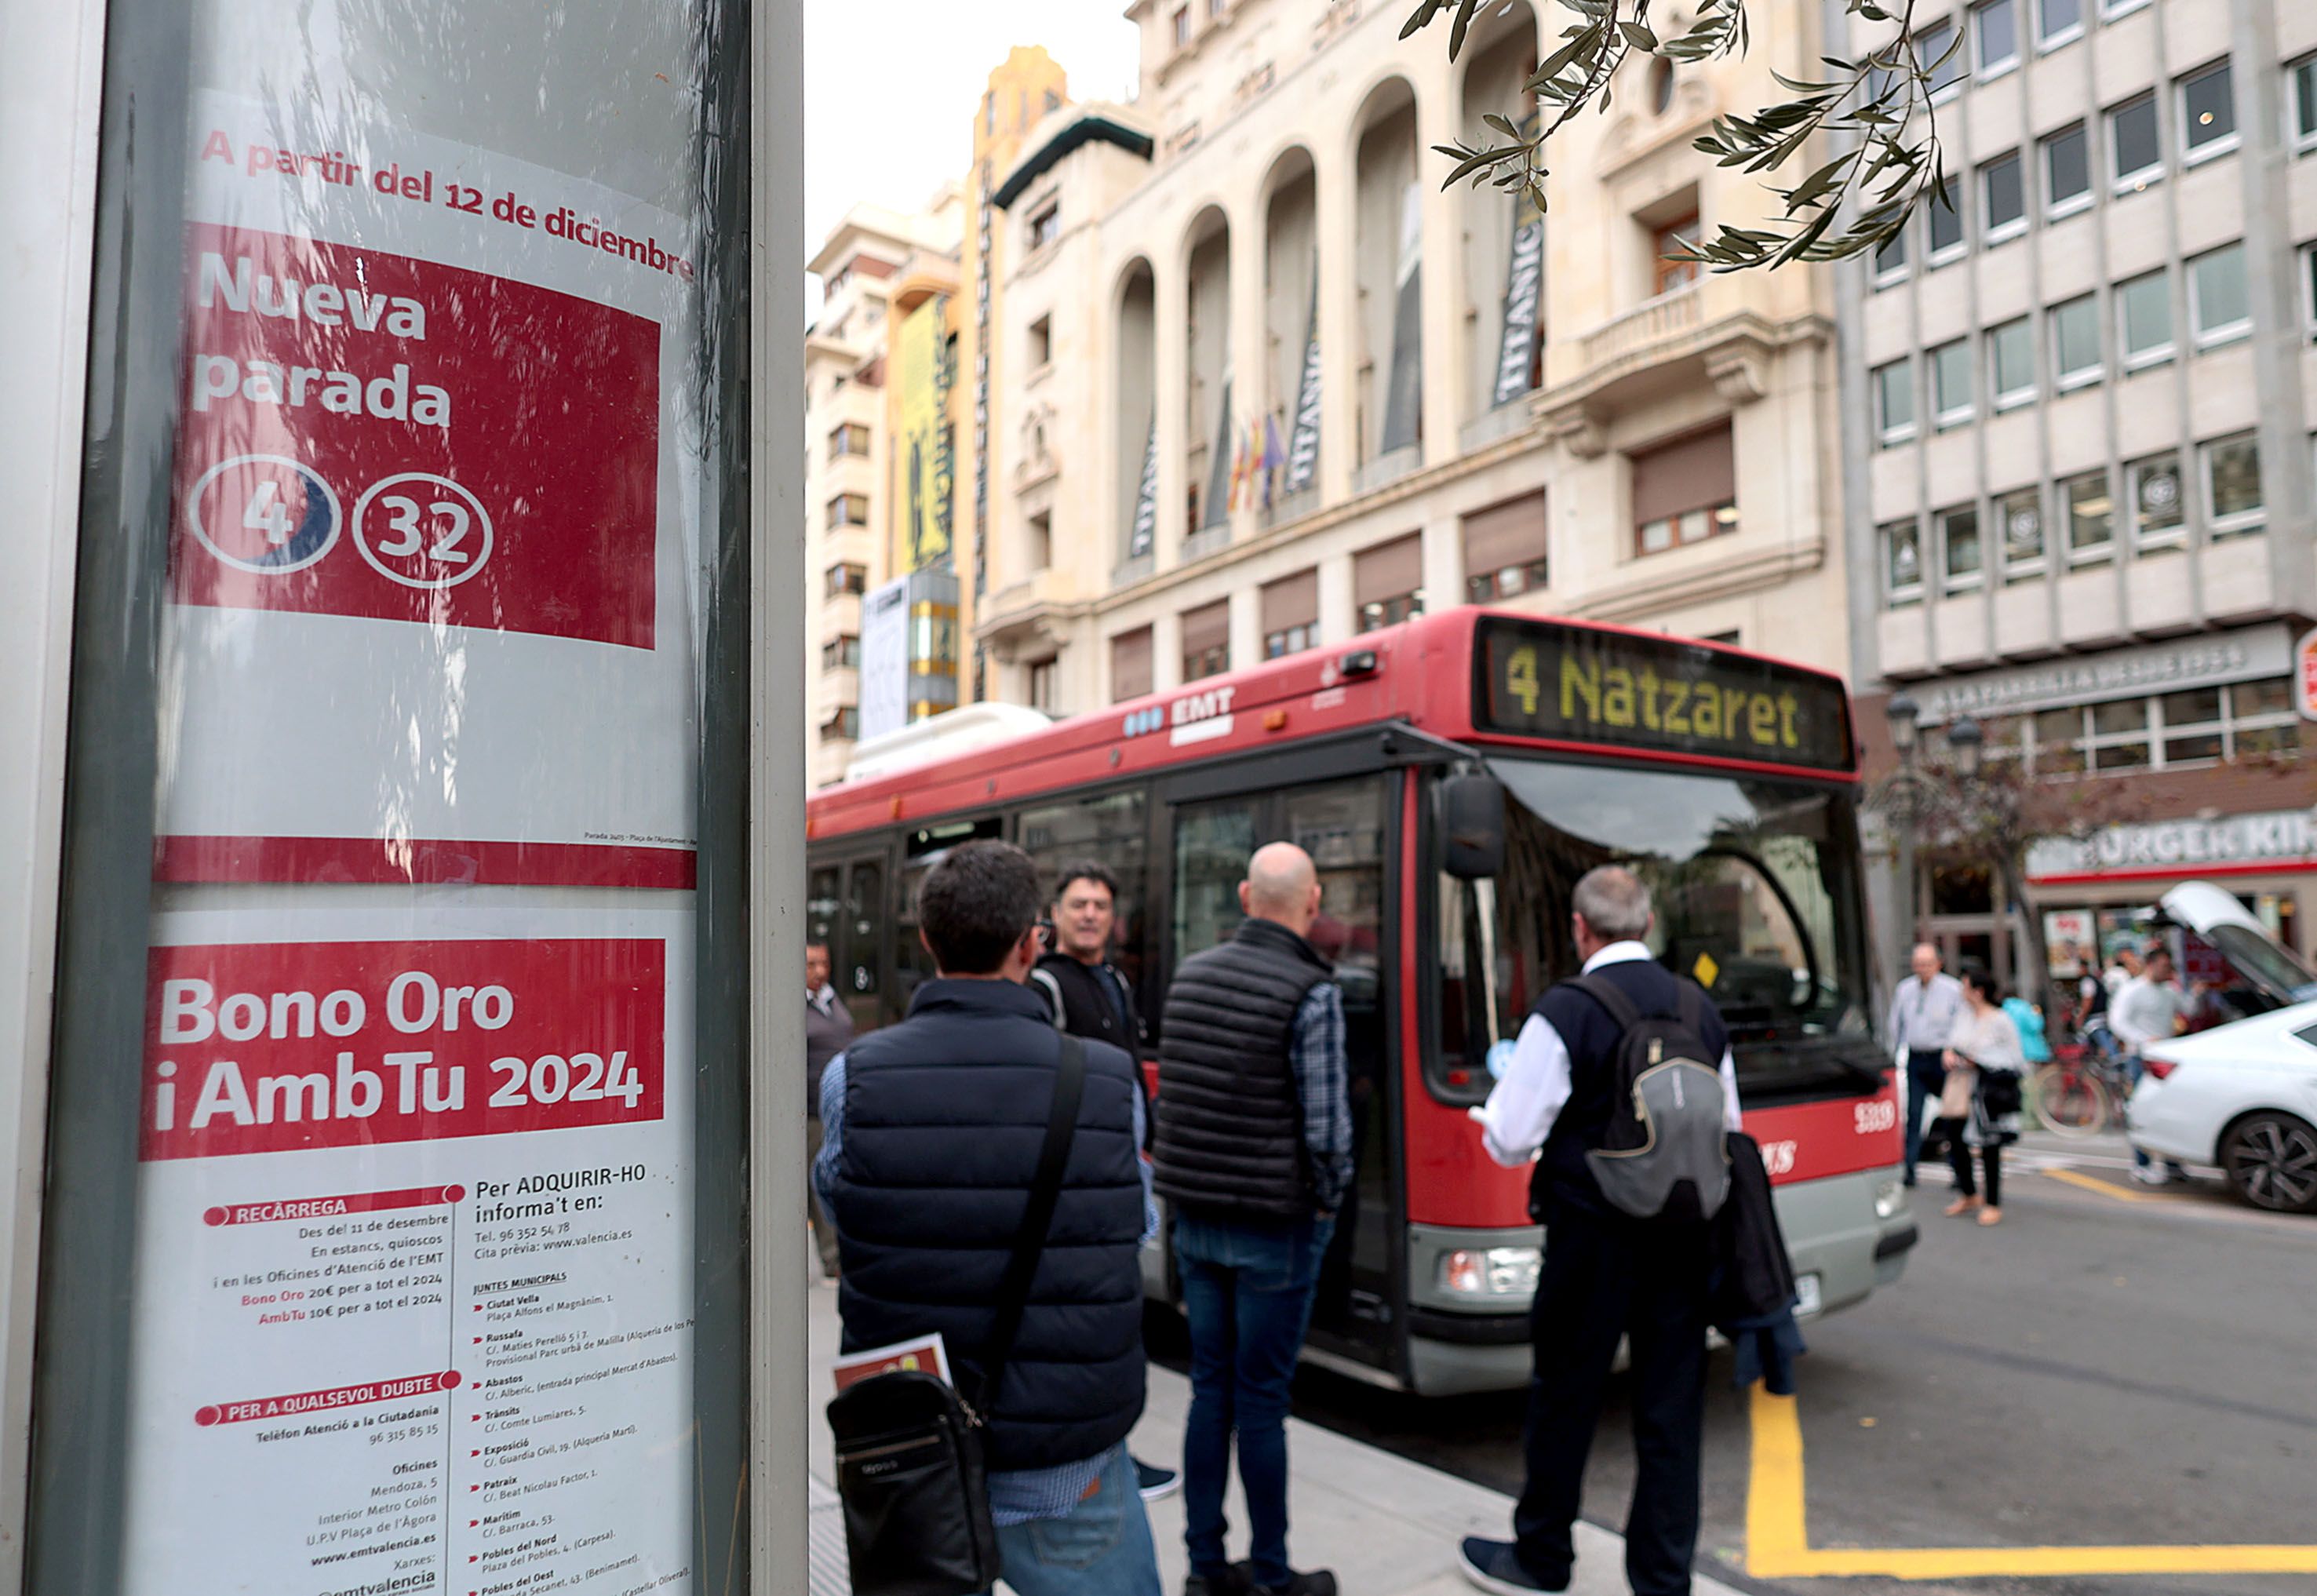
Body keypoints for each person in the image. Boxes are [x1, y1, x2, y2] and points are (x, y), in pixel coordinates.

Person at [814, 840, 1161, 1596]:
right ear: (1030, 942)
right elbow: (1136, 1226)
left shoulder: (855, 1077)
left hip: (915, 1450)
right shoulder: (1103, 1079)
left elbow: (842, 1204)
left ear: (928, 941)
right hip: (1064, 1458)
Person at [1458, 866, 1742, 1596]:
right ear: (1647, 925)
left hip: (1592, 1241)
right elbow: (1728, 1129)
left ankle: (1542, 1557)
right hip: (1683, 1240)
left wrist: (1486, 1117)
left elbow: (1515, 1138)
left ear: (1580, 929)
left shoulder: (1566, 1009)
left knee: (1565, 1397)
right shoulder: (1697, 1009)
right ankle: (1660, 1579)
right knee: (1671, 1414)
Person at [1152, 842, 1353, 1596]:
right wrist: (1328, 1201)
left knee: (1211, 1392)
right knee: (1263, 1401)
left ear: (1243, 896)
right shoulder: (1312, 991)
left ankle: (1204, 1568)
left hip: (1198, 1221)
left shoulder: (1190, 976)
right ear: (1313, 900)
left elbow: (1177, 1102)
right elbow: (1328, 1131)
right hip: (1277, 1228)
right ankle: (1270, 1574)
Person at [1030, 861, 1181, 1506]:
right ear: (1054, 916)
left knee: (1117, 1317)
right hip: (1074, 1183)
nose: (1090, 914)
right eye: (1078, 903)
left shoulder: (1117, 982)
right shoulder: (1045, 986)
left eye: (1099, 905)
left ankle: (1113, 1450)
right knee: (1083, 1324)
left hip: (1123, 1170)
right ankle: (1095, 1457)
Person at [1935, 963, 2025, 1227]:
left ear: (1978, 991)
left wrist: (1982, 1061)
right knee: (1955, 1139)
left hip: (1987, 1091)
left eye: (1965, 986)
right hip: (1961, 1087)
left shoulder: (2001, 1020)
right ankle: (1969, 1194)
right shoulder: (1963, 1015)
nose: (1961, 991)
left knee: (1990, 1146)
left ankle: (1993, 1202)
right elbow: (1951, 1043)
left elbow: (2015, 1059)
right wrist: (1949, 1054)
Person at [2109, 944, 2193, 1186]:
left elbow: (2187, 1010)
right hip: (2141, 1058)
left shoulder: (2170, 991)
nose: (2168, 970)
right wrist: (2143, 1040)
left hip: (2167, 1057)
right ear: (2151, 965)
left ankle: (2174, 1163)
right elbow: (2118, 1022)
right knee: (2141, 1109)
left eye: (2170, 966)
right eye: (2165, 966)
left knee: (2173, 1110)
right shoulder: (2131, 990)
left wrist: (2196, 992)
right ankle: (2142, 1164)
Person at [1886, 943, 1965, 1187]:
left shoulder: (1952, 989)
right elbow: (1895, 1024)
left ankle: (1959, 1170)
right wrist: (1894, 1053)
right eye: (1918, 964)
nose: (1922, 969)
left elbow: (1960, 1022)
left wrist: (1953, 1048)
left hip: (1942, 1058)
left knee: (1952, 1115)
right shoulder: (1905, 989)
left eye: (1927, 964)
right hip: (1916, 1057)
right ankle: (1909, 1169)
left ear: (1938, 964)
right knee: (1914, 1114)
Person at [803, 939, 852, 1280]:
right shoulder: (795, 1005)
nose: (820, 971)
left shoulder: (832, 1002)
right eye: (811, 964)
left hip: (837, 1111)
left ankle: (836, 1256)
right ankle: (832, 1257)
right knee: (815, 1185)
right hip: (808, 1115)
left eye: (824, 963)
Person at [2002, 990, 2051, 1067]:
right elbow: (2035, 1027)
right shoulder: (2024, 1007)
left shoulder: (2001, 1009)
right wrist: (2039, 1016)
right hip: (2031, 1050)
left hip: (2010, 1053)